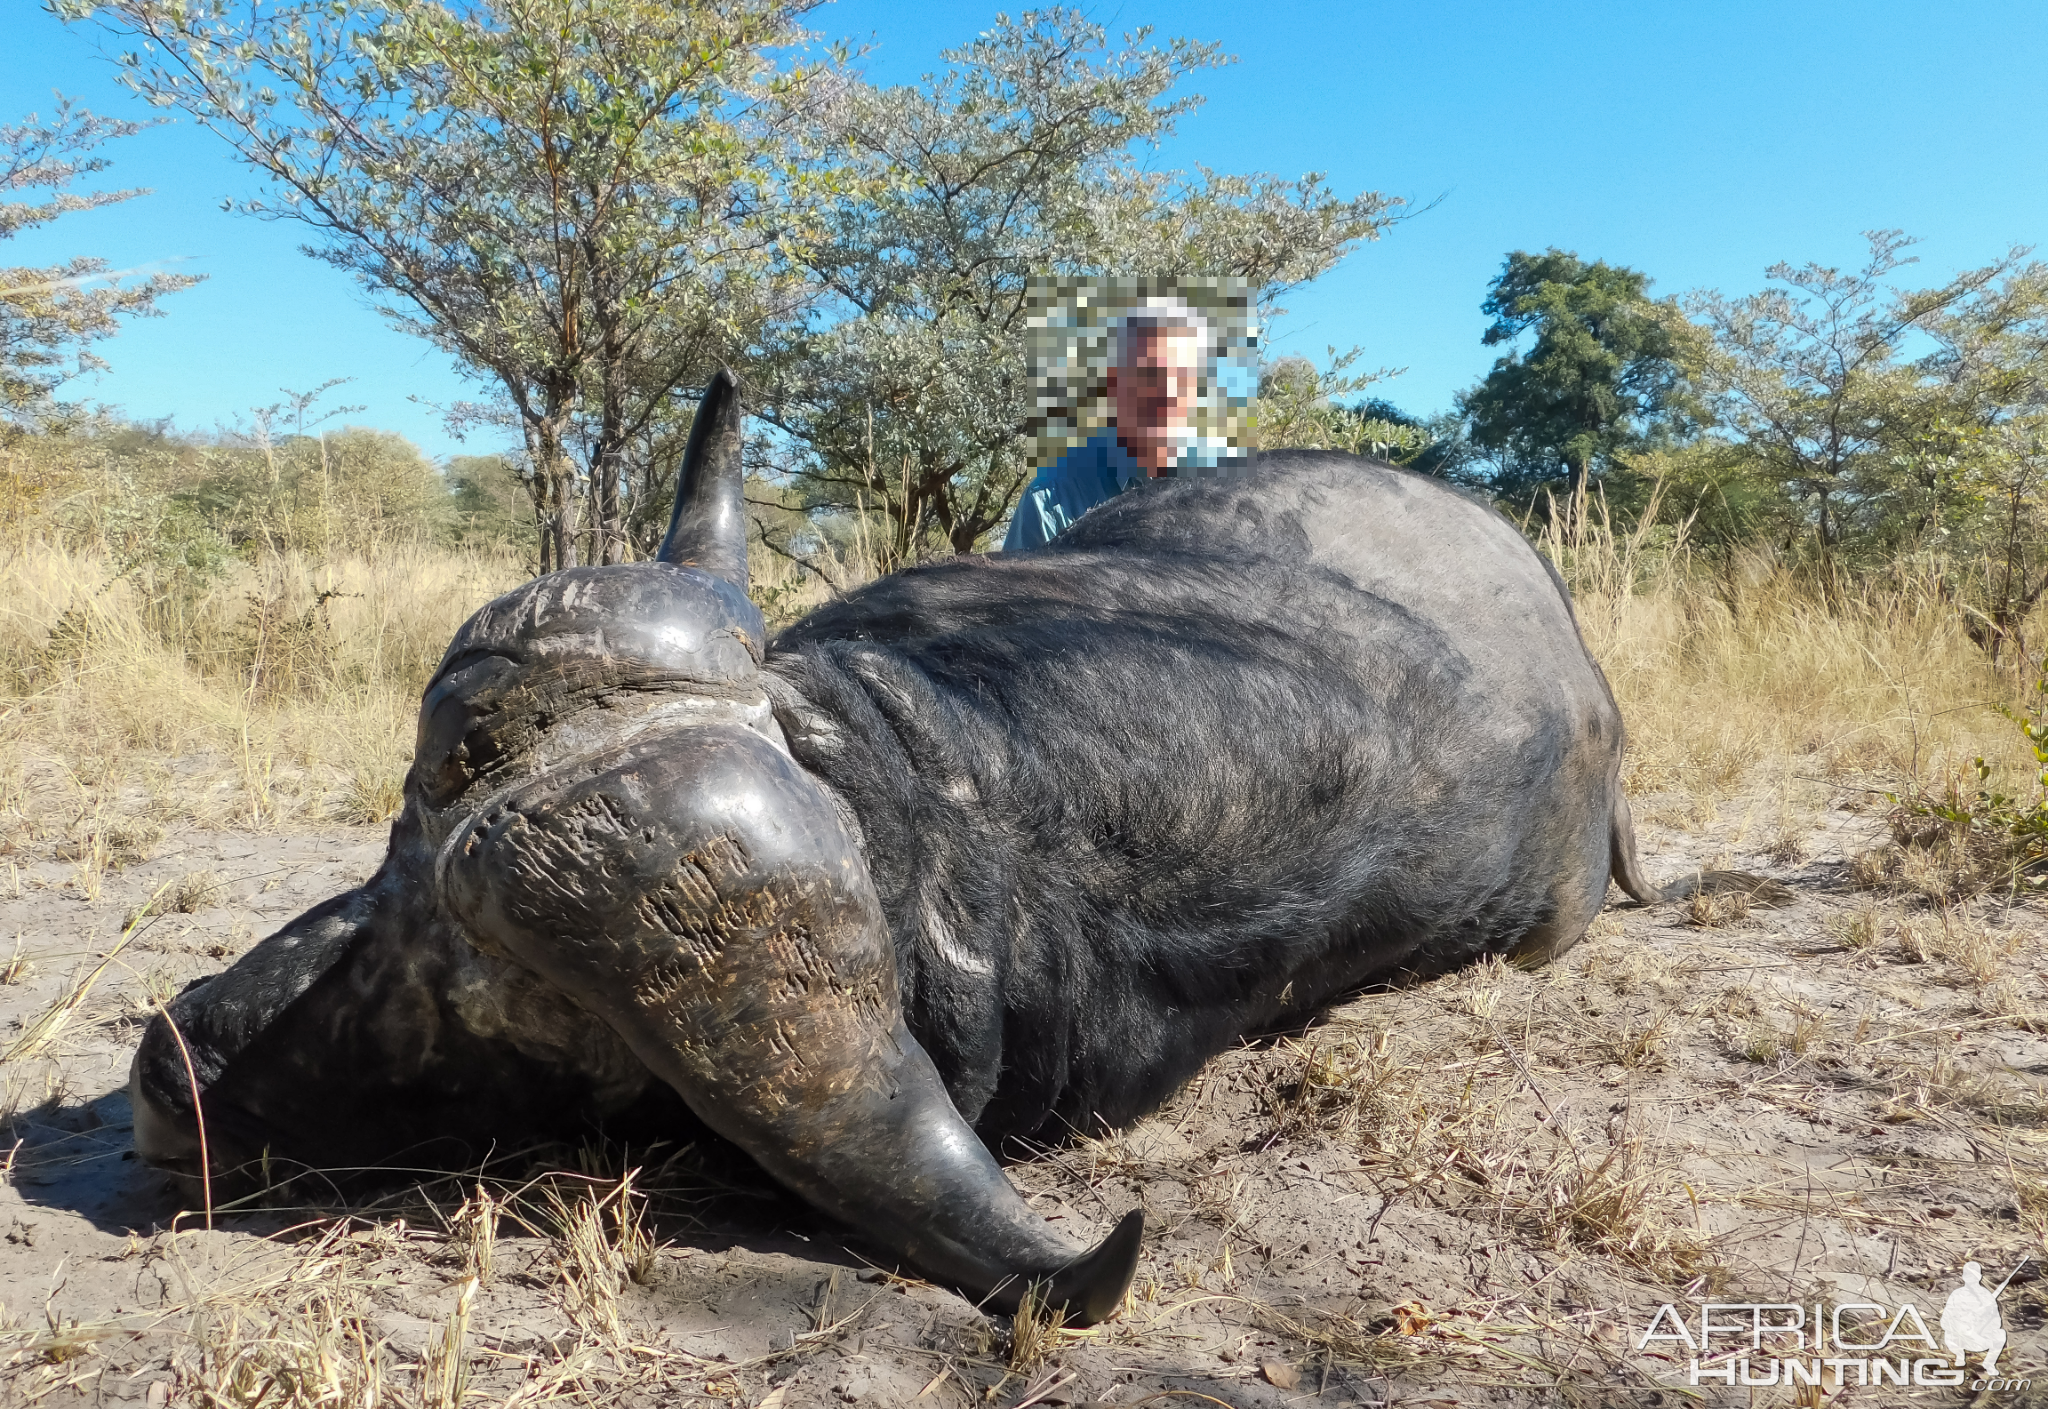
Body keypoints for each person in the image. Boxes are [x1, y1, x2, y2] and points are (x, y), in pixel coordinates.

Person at [1003, 298, 1212, 551]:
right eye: (1149, 374)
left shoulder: (1221, 487)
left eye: (1182, 375)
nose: (1167, 392)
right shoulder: (1048, 502)